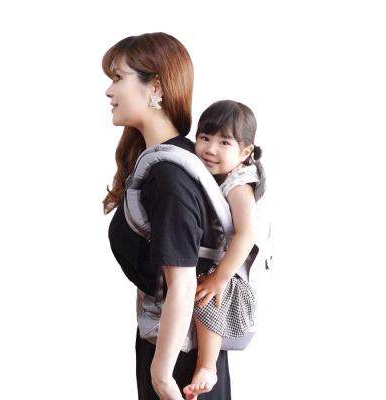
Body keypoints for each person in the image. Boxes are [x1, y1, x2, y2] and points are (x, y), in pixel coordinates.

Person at [102, 33, 231, 400]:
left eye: (118, 78)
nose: (109, 91)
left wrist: (161, 377)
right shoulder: (166, 162)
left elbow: (184, 284)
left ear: (155, 87)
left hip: (180, 370)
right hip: (174, 351)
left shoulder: (169, 174)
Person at [182, 100, 267, 398]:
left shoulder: (239, 184)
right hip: (222, 264)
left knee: (205, 295)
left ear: (245, 152)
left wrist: (219, 278)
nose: (210, 149)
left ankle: (207, 367)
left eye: (224, 142)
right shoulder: (213, 174)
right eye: (204, 138)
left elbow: (246, 235)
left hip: (233, 276)